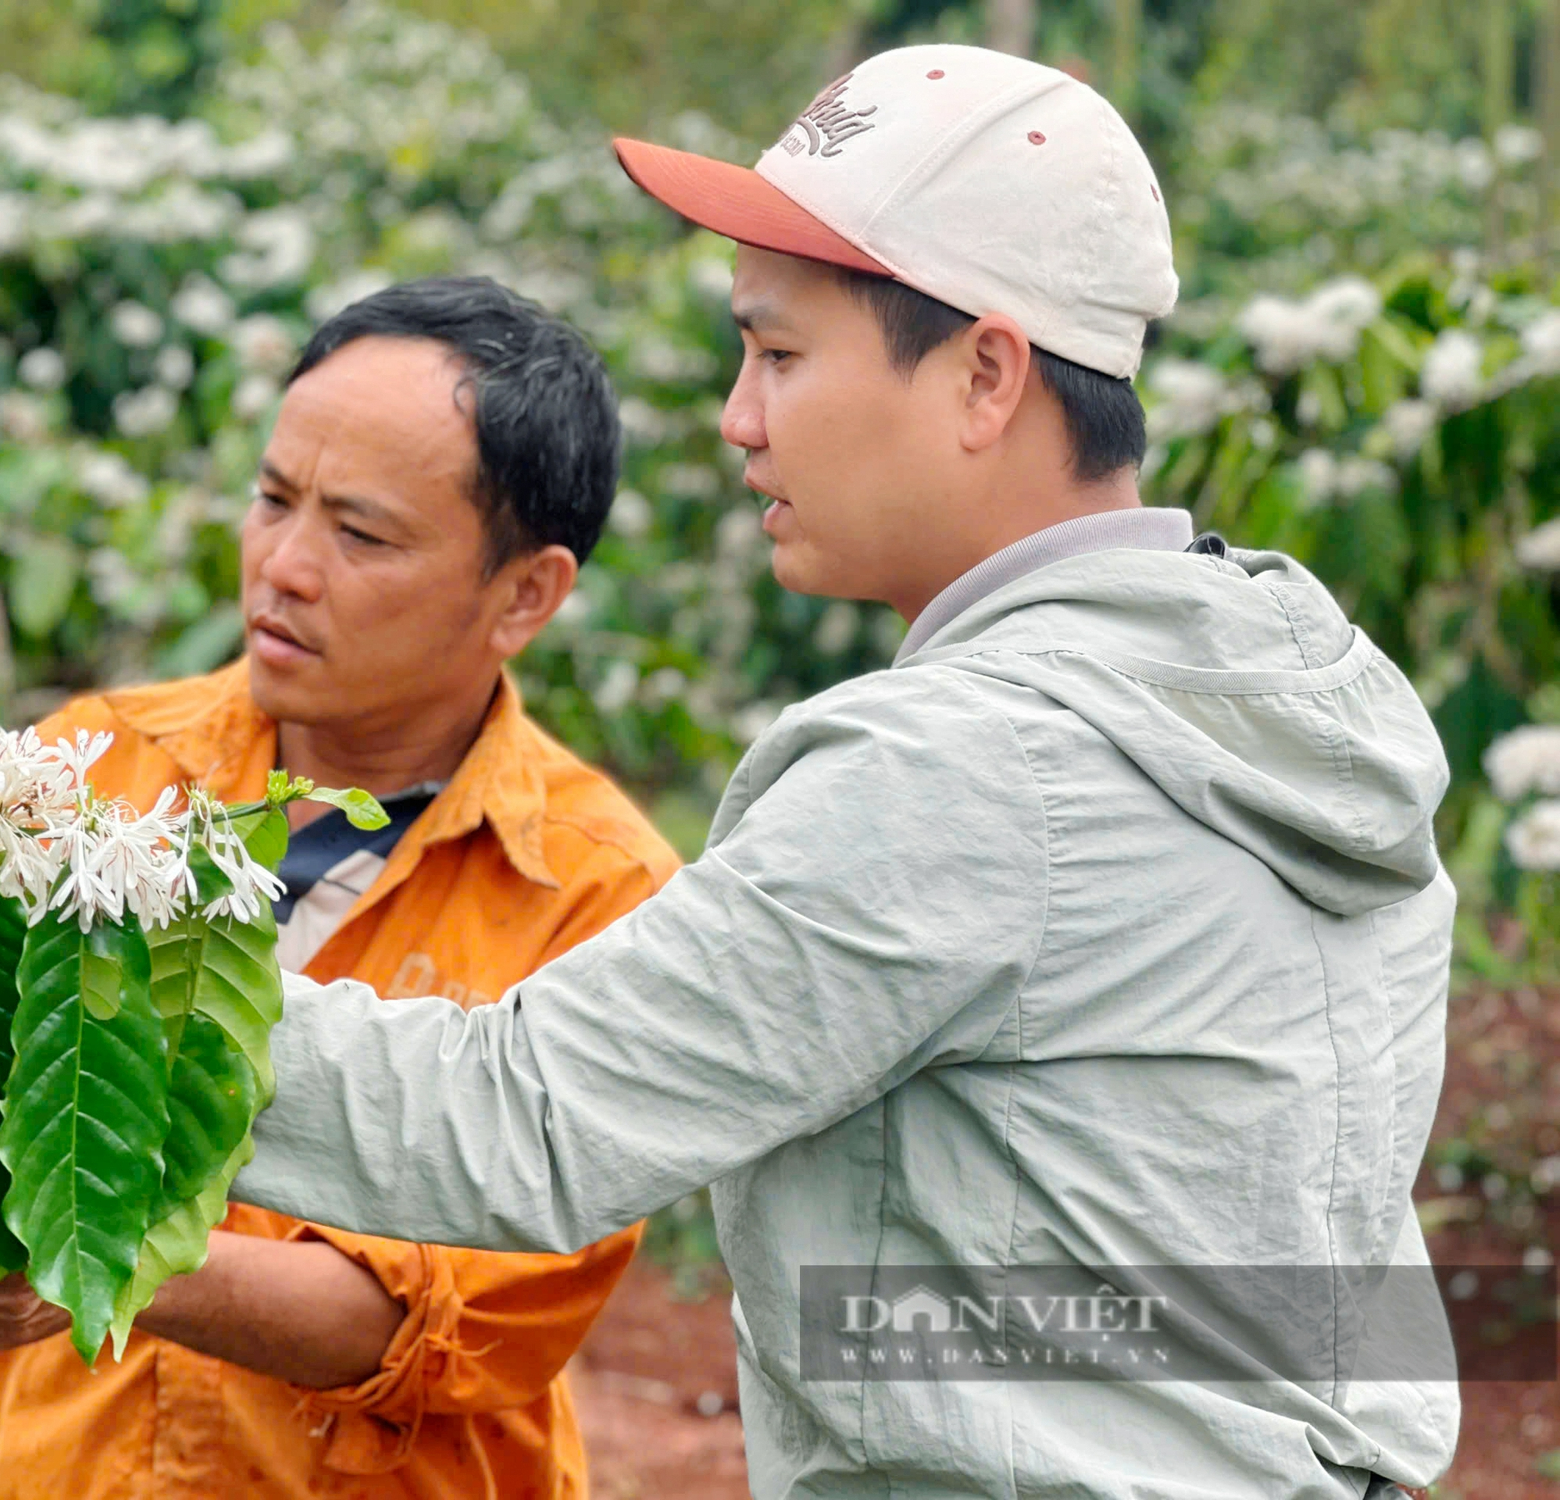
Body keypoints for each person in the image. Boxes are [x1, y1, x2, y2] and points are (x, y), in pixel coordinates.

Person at [214, 44, 1461, 1499]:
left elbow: (521, 1119)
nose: (740, 417)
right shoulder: (1289, 680)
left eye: (781, 353)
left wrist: (89, 996)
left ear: (986, 375)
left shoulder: (971, 769)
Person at [0, 277, 683, 1500]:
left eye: (360, 535)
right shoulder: (92, 766)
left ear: (524, 594)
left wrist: (86, 1245)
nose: (284, 566)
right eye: (273, 500)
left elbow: (446, 1319)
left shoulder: (600, 894)